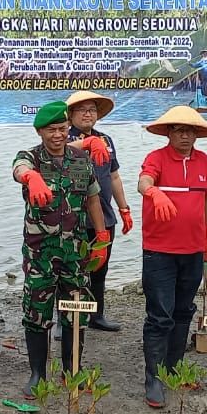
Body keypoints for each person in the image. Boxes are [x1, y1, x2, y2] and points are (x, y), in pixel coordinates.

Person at [12, 101, 107, 397]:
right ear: (40, 131)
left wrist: (101, 238)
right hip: (40, 253)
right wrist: (31, 177)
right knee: (37, 313)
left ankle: (72, 370)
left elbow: (93, 199)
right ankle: (38, 373)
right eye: (51, 130)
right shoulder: (31, 157)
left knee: (75, 312)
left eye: (62, 129)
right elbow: (19, 168)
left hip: (76, 253)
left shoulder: (81, 159)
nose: (57, 135)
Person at [138, 106, 207, 408]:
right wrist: (154, 193)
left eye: (190, 130)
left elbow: (206, 198)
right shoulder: (156, 158)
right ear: (169, 132)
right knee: (160, 315)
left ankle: (174, 368)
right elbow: (143, 181)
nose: (185, 135)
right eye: (178, 130)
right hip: (159, 251)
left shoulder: (204, 161)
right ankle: (154, 378)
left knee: (184, 310)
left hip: (193, 250)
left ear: (196, 134)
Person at [66, 90, 134, 332]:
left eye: (92, 110)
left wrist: (124, 208)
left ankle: (96, 315)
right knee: (69, 269)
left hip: (103, 216)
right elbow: (61, 155)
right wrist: (86, 143)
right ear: (71, 114)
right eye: (82, 110)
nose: (88, 114)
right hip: (72, 216)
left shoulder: (105, 139)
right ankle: (66, 320)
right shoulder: (62, 136)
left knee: (99, 268)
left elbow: (114, 176)